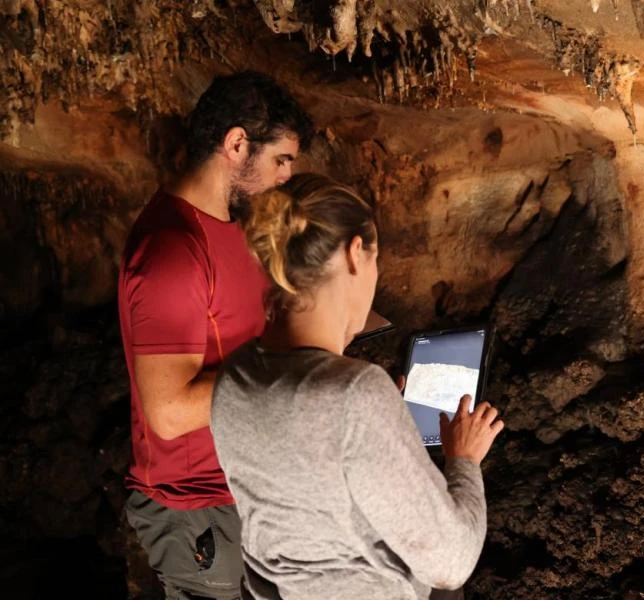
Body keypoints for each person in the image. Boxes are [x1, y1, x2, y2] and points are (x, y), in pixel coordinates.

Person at [211, 173, 504, 599]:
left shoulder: (234, 377)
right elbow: (451, 562)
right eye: (375, 259)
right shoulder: (355, 394)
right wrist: (463, 460)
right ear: (354, 256)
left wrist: (384, 424)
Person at [118, 71, 313, 599]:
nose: (285, 176)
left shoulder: (228, 229)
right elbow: (169, 411)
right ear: (236, 143)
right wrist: (293, 372)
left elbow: (240, 345)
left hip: (241, 488)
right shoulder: (173, 250)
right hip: (193, 506)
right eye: (282, 159)